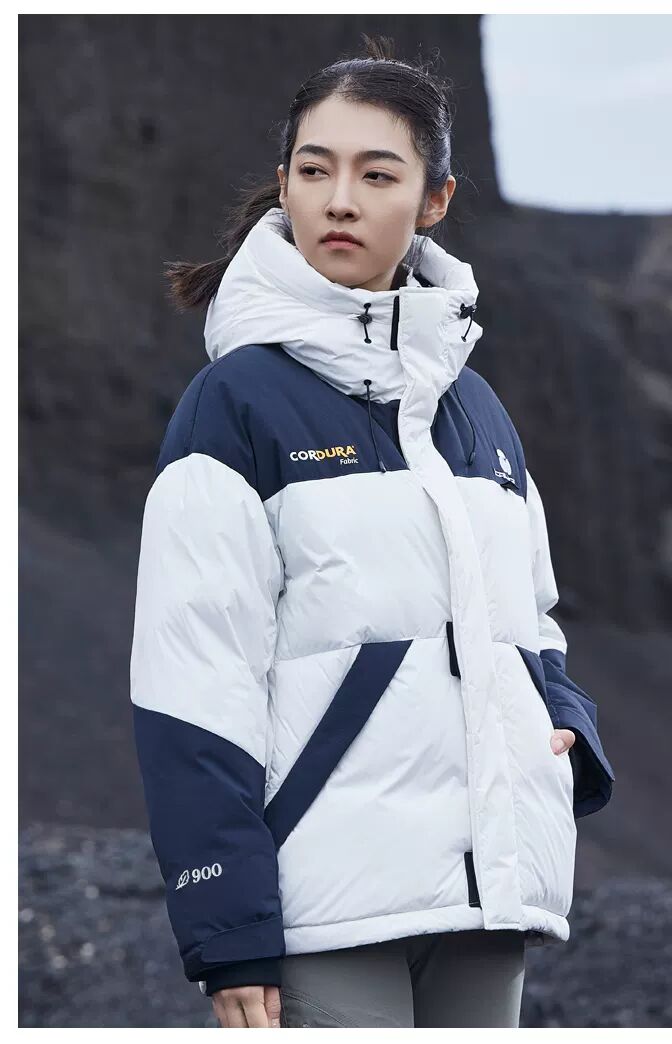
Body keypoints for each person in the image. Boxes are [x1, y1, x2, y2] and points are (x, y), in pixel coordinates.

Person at [129, 34, 615, 1029]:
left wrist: (565, 726)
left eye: (377, 174)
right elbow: (194, 680)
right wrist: (228, 926)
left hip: (487, 898)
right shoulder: (236, 404)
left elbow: (533, 618)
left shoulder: (476, 410)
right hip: (324, 910)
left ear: (434, 200)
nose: (340, 200)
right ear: (284, 186)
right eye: (315, 171)